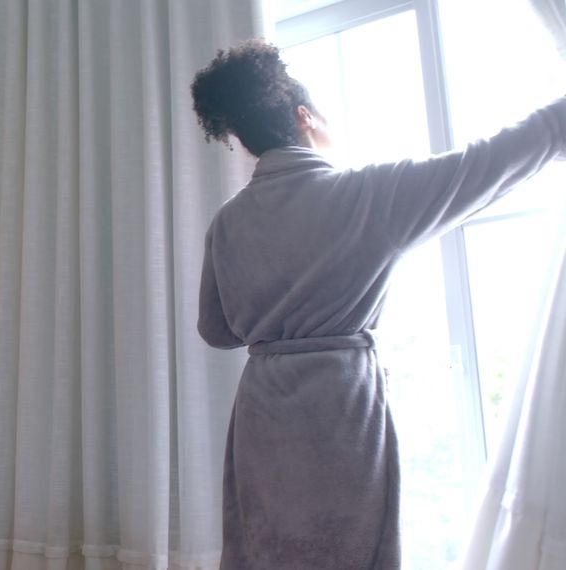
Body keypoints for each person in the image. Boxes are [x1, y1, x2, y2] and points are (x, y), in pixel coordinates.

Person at [190, 38, 566, 569]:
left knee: (269, 549)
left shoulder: (228, 223)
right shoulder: (367, 195)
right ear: (304, 116)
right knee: (349, 551)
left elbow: (217, 330)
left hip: (263, 414)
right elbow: (489, 163)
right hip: (341, 411)